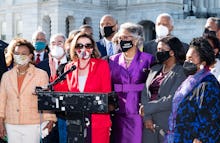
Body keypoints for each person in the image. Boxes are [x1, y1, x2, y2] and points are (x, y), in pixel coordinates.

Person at [50, 32, 112, 143]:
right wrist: (54, 73)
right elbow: (63, 92)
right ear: (74, 48)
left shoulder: (102, 65)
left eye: (88, 46)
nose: (84, 49)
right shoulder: (70, 67)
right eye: (79, 45)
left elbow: (106, 94)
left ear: (92, 49)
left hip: (97, 121)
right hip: (76, 121)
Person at [0, 38, 56, 143]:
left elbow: (46, 99)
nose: (19, 56)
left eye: (23, 53)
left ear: (30, 56)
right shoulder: (6, 76)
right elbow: (2, 101)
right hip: (11, 123)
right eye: (16, 53)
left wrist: (50, 119)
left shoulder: (41, 74)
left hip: (32, 124)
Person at [166, 37, 220, 143]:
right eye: (186, 59)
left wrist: (202, 138)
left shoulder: (208, 84)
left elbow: (212, 119)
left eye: (191, 59)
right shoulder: (189, 80)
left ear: (203, 63)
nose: (187, 62)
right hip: (180, 136)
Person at [109, 22, 154, 143]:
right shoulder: (113, 60)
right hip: (117, 111)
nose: (122, 40)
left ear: (136, 39)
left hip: (138, 111)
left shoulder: (148, 59)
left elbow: (152, 86)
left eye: (126, 37)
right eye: (120, 38)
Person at [141, 36, 186, 143]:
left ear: (172, 52)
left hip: (167, 125)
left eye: (162, 50)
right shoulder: (154, 69)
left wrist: (147, 108)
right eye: (158, 49)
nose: (158, 52)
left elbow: (172, 99)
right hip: (149, 125)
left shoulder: (181, 72)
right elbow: (144, 94)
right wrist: (147, 117)